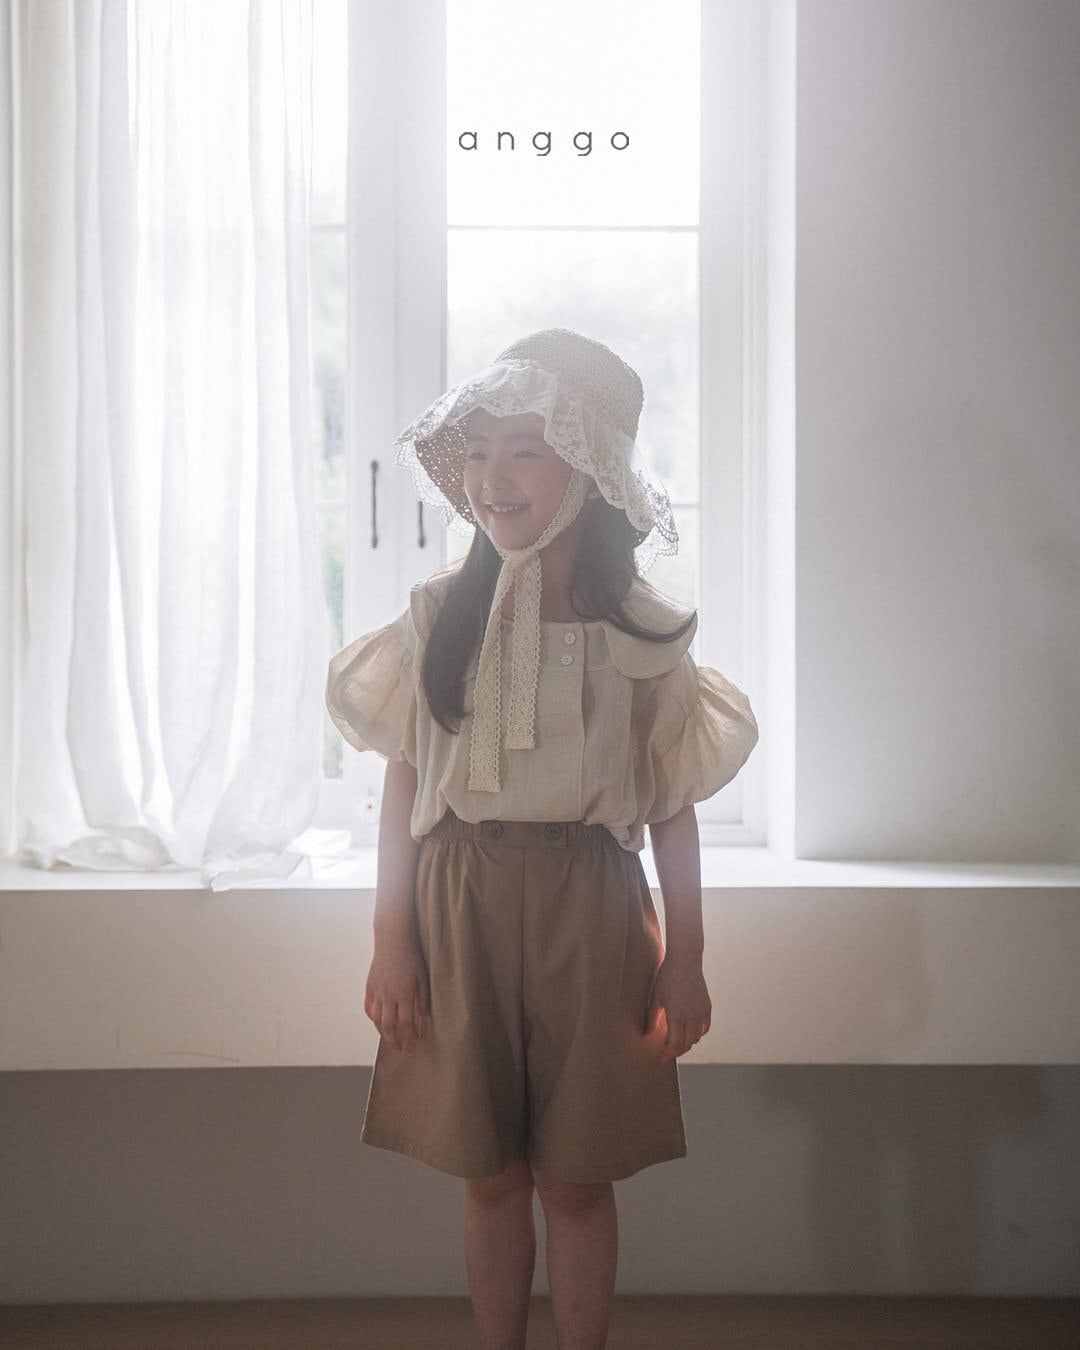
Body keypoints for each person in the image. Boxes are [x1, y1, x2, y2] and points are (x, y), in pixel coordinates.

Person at [326, 328, 758, 1350]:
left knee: (574, 1179)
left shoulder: (641, 632)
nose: (493, 477)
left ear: (592, 468)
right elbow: (404, 782)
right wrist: (391, 941)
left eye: (525, 449)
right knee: (490, 1176)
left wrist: (686, 956)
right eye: (477, 452)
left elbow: (671, 802)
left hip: (594, 908)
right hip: (456, 903)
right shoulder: (439, 615)